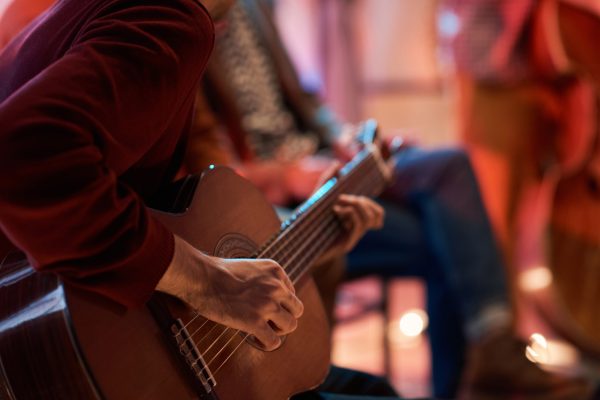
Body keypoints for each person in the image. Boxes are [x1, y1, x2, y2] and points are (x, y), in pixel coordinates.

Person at [182, 0, 593, 398]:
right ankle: (488, 353)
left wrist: (347, 141)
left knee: (447, 171)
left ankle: (487, 355)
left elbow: (307, 104)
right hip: (273, 200)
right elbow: (204, 172)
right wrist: (289, 176)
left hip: (321, 167)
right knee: (445, 230)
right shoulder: (181, 26)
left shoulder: (254, 8)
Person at [0, 0, 410, 399]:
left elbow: (154, 207)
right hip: (72, 359)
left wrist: (314, 236)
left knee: (369, 389)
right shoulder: (170, 17)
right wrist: (207, 283)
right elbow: (23, 157)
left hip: (75, 336)